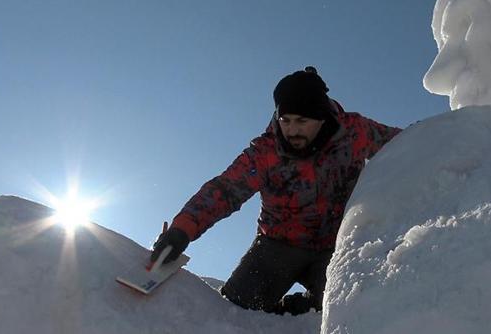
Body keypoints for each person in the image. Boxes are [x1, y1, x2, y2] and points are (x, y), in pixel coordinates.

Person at [151, 66, 402, 315]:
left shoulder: (354, 133)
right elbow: (225, 190)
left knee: (357, 308)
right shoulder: (265, 153)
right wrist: (181, 231)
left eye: (302, 122)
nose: (292, 130)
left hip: (336, 248)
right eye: (286, 121)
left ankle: (302, 306)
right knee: (234, 311)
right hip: (277, 246)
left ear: (321, 117)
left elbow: (409, 144)